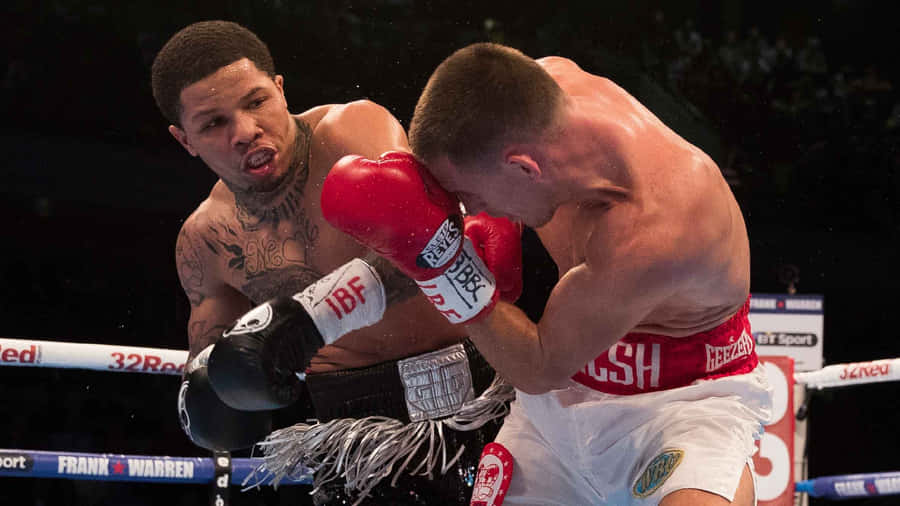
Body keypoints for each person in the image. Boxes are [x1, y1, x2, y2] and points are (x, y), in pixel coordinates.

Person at [321, 43, 773, 505]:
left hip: (680, 405)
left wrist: (447, 268)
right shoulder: (539, 95)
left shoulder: (657, 225)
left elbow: (539, 366)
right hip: (558, 411)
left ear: (523, 167)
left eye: (465, 194)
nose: (468, 210)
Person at [151, 23, 517, 505]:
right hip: (347, 442)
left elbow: (427, 242)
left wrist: (311, 317)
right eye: (213, 123)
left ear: (280, 90)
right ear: (184, 139)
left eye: (256, 101)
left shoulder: (350, 131)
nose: (244, 132)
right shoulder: (204, 241)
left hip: (470, 401)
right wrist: (216, 395)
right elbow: (213, 380)